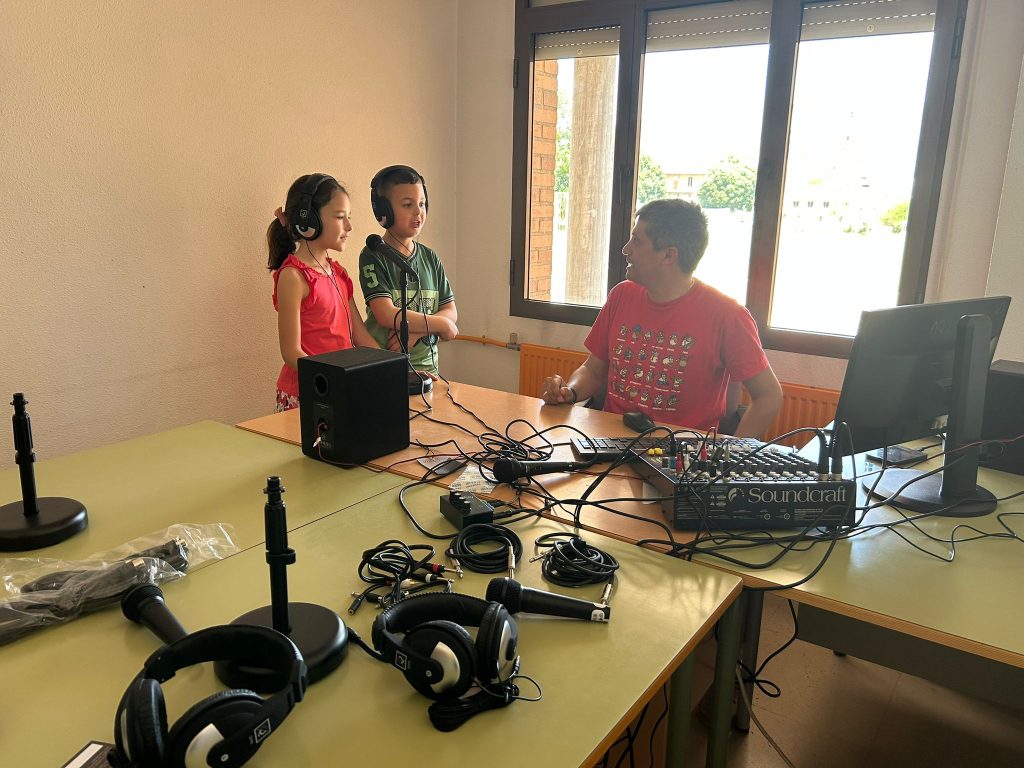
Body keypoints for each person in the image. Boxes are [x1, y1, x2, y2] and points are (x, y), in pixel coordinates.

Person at [541, 198, 782, 438]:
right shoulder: (621, 295)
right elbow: (593, 370)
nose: (626, 250)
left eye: (637, 241)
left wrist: (730, 455)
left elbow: (769, 397)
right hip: (607, 443)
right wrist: (569, 392)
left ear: (668, 255)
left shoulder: (728, 316)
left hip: (680, 454)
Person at [267, 173, 378, 412]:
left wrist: (395, 368)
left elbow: (361, 338)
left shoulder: (339, 273)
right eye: (339, 217)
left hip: (339, 387)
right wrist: (334, 378)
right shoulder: (293, 277)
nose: (349, 226)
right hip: (306, 394)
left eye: (348, 217)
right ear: (308, 220)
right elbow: (291, 352)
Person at [359, 165, 457, 376]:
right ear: (383, 211)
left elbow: (450, 311)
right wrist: (441, 324)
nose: (418, 212)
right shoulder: (373, 255)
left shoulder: (431, 258)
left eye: (421, 203)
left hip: (429, 370)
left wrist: (416, 332)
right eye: (407, 204)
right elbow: (386, 315)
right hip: (386, 370)